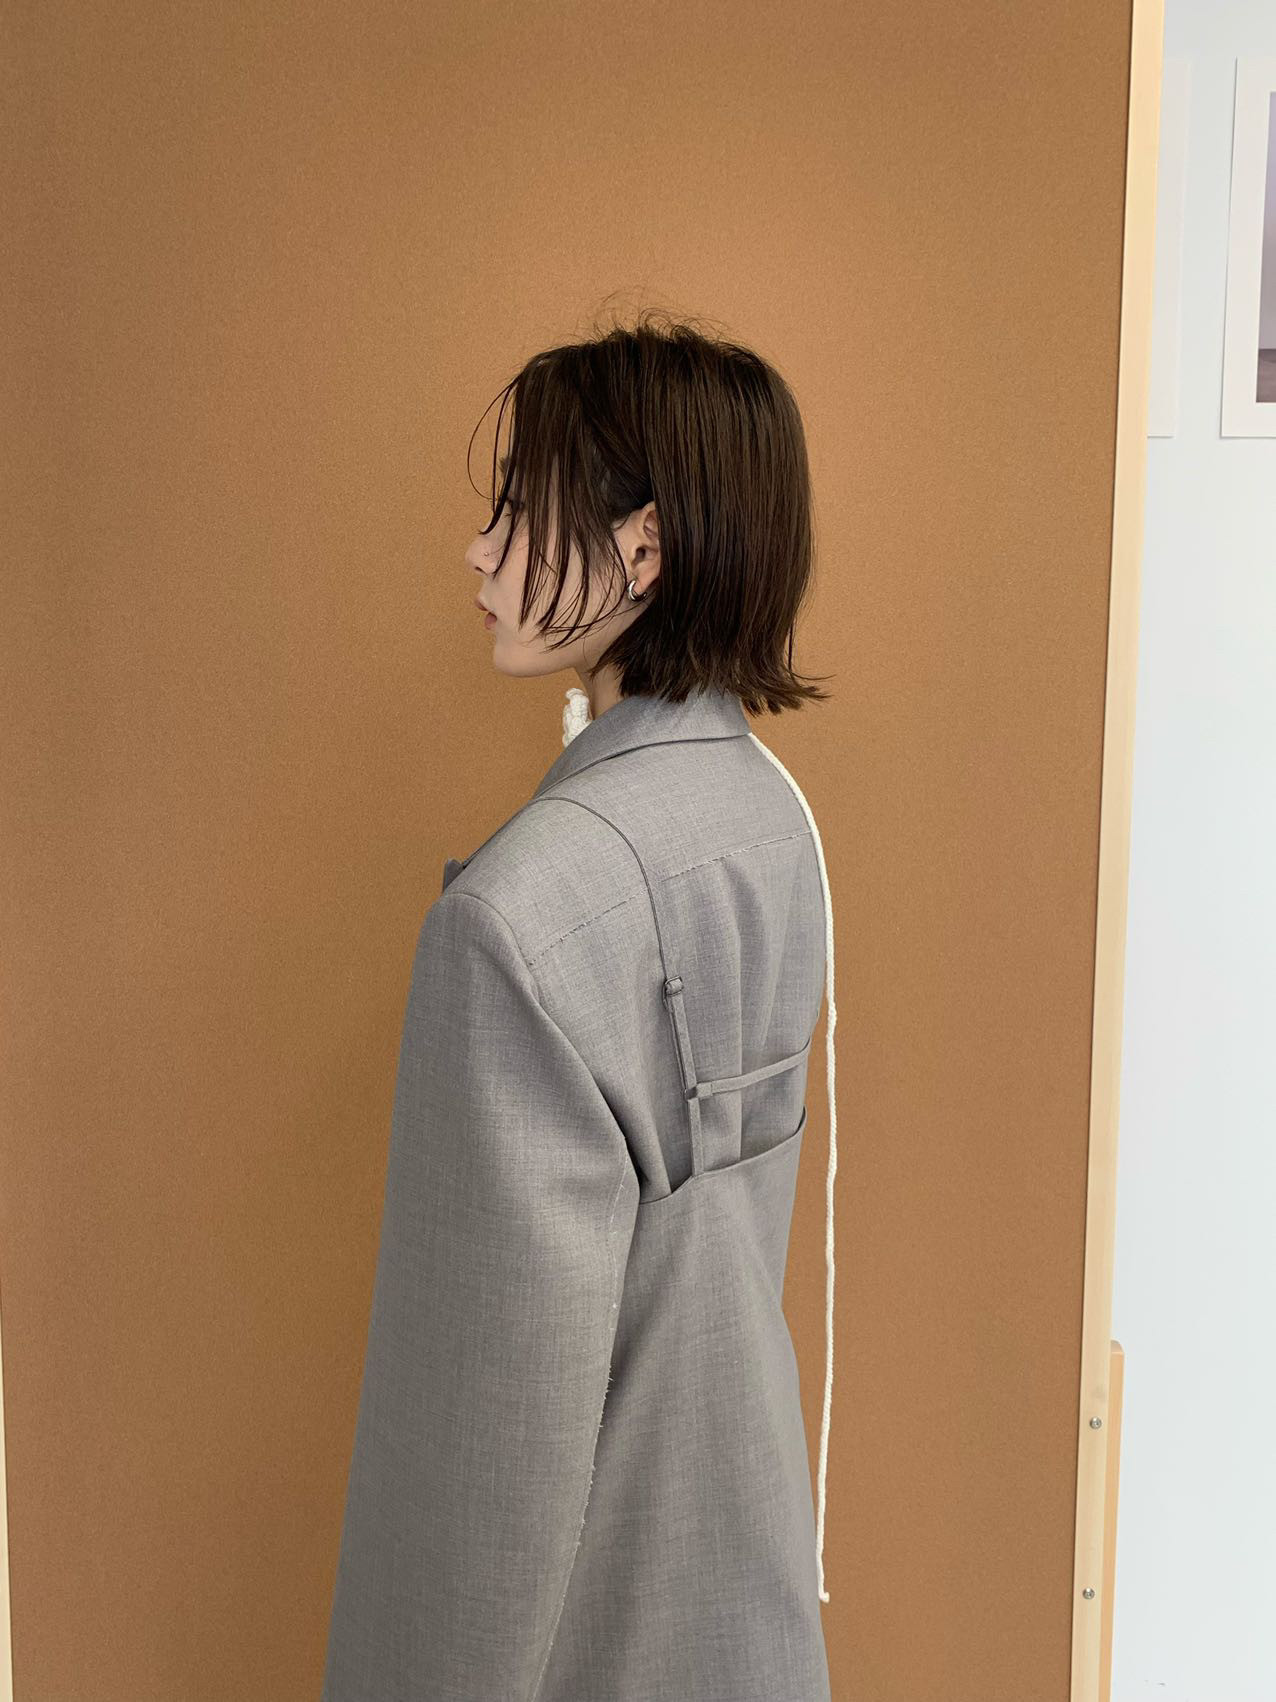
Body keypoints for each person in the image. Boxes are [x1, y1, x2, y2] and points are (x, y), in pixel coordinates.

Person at [321, 313, 839, 1702]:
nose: (479, 550)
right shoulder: (768, 819)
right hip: (741, 1588)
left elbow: (480, 1450)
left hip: (591, 1639)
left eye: (517, 508)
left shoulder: (512, 920)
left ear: (643, 549)